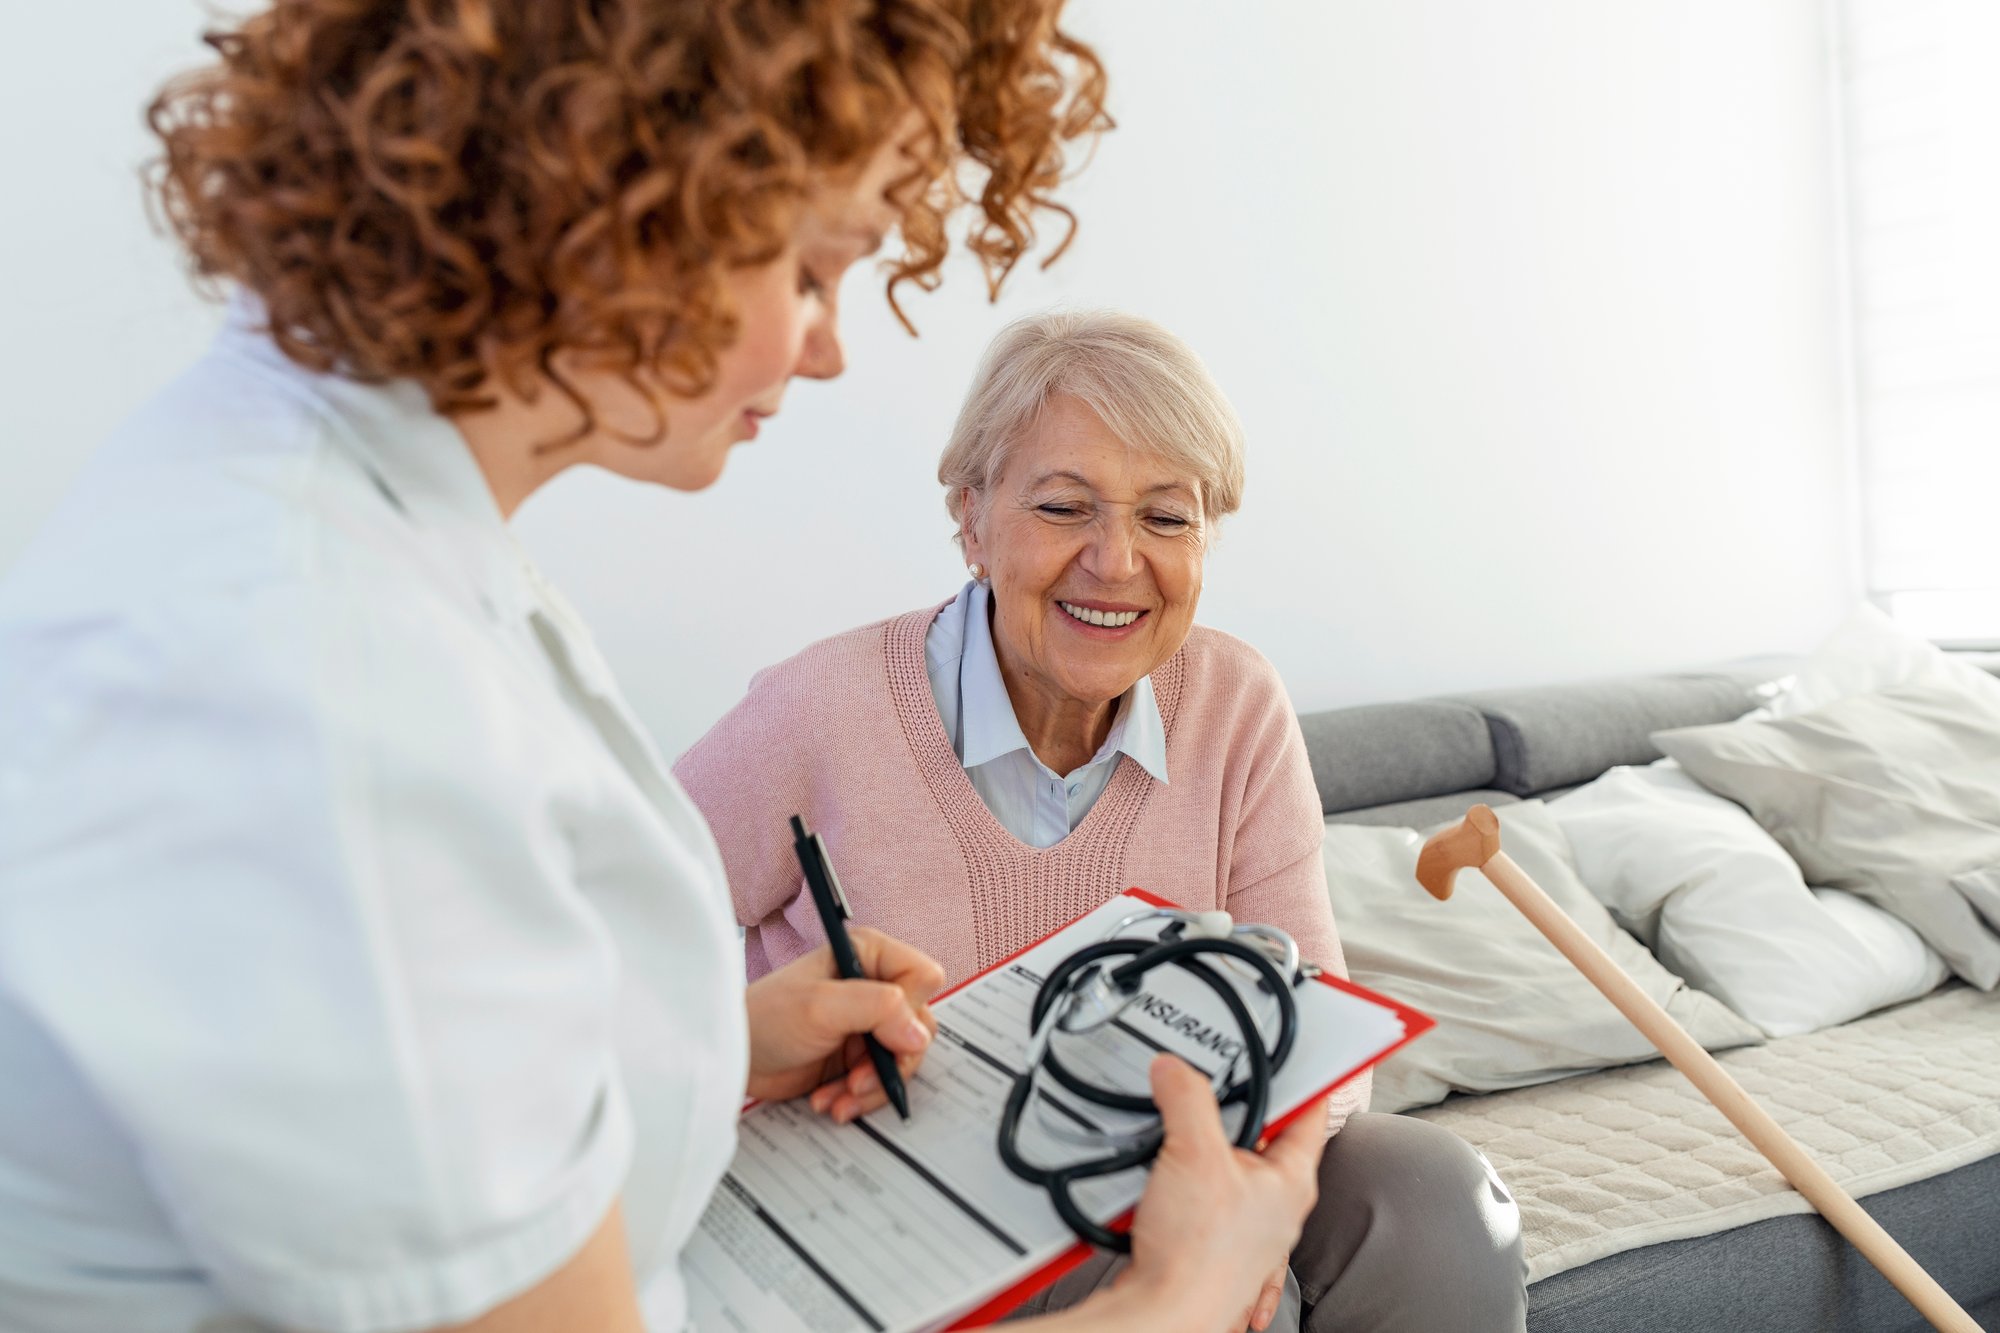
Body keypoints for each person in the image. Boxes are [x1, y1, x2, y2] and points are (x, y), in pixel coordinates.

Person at [0, 5, 1333, 1332]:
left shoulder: (372, 533)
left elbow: (450, 1085)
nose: (828, 347)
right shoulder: (321, 678)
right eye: (813, 272)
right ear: (628, 201)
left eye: (1168, 514)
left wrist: (736, 1039)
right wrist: (1180, 1298)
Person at [676, 310, 1531, 1332]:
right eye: (1062, 506)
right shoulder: (815, 707)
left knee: (1432, 1193)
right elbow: (583, 970)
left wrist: (1257, 1212)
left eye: (1165, 518)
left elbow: (1317, 1028)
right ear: (971, 516)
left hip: (1159, 1163)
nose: (1115, 560)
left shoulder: (1235, 701)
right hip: (888, 1203)